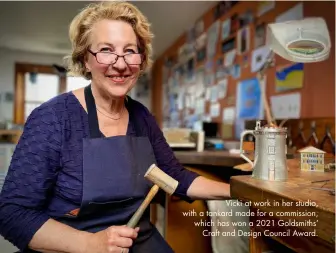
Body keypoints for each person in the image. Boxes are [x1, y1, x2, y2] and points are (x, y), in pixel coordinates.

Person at [0, 2, 231, 253]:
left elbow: (176, 177)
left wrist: (241, 192)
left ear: (140, 61)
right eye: (106, 50)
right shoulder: (52, 118)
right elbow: (13, 214)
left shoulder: (142, 117)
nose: (120, 64)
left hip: (139, 242)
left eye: (130, 50)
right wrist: (90, 243)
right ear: (85, 60)